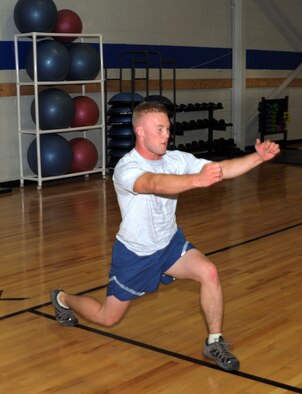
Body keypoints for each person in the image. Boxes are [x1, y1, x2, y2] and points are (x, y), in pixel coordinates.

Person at [51, 101, 280, 372]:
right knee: (107, 317)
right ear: (140, 131)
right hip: (136, 254)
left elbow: (221, 170)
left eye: (167, 129)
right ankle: (63, 298)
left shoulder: (176, 159)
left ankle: (214, 341)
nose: (166, 135)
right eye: (159, 129)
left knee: (209, 272)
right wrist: (196, 181)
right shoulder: (127, 167)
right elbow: (153, 183)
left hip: (170, 244)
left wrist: (258, 158)